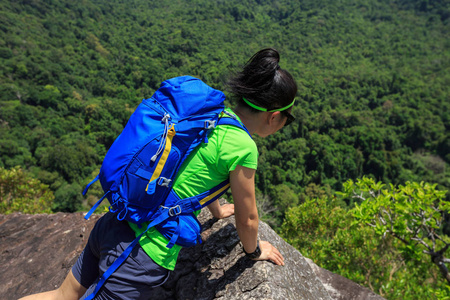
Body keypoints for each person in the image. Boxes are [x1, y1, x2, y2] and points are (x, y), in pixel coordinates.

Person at [20, 48, 298, 300]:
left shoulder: (209, 116)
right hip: (141, 252)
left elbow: (190, 166)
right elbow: (248, 220)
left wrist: (215, 211)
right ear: (274, 116)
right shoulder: (244, 148)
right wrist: (254, 251)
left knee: (61, 296)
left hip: (116, 221)